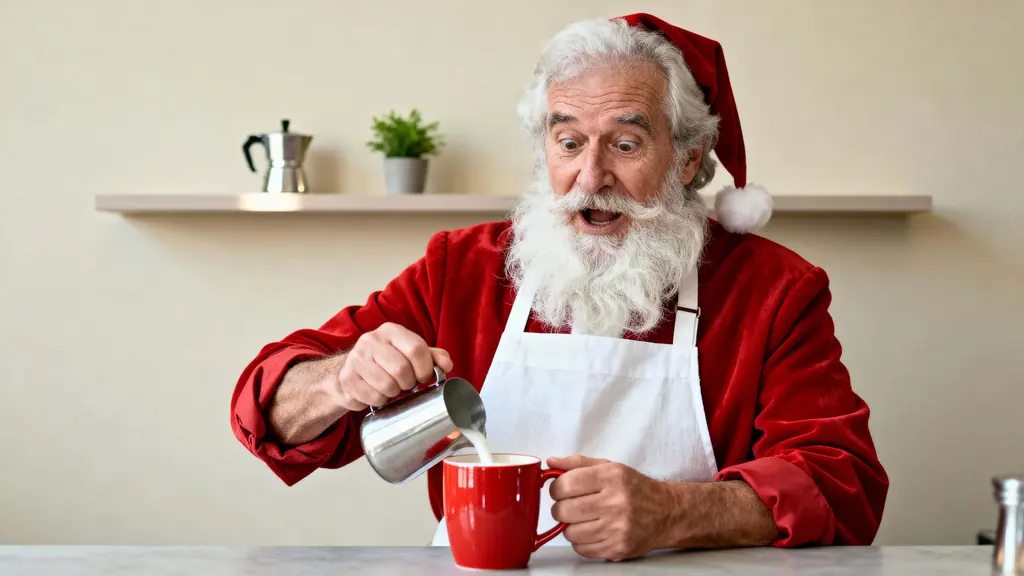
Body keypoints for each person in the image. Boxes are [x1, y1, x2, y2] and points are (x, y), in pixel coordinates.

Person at [229, 12, 888, 561]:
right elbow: (266, 411)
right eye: (569, 142)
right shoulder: (462, 268)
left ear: (688, 159)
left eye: (625, 145)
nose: (590, 177)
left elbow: (842, 482)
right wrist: (341, 379)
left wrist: (678, 510)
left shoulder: (773, 290)